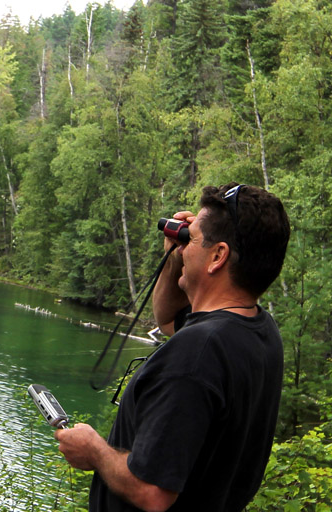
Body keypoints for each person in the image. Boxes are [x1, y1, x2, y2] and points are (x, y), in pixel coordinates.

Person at [54, 183, 290, 511]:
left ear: (218, 256)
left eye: (190, 240)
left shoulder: (198, 352)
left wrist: (95, 451)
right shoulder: (258, 331)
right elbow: (167, 319)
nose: (184, 246)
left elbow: (153, 493)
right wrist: (176, 259)